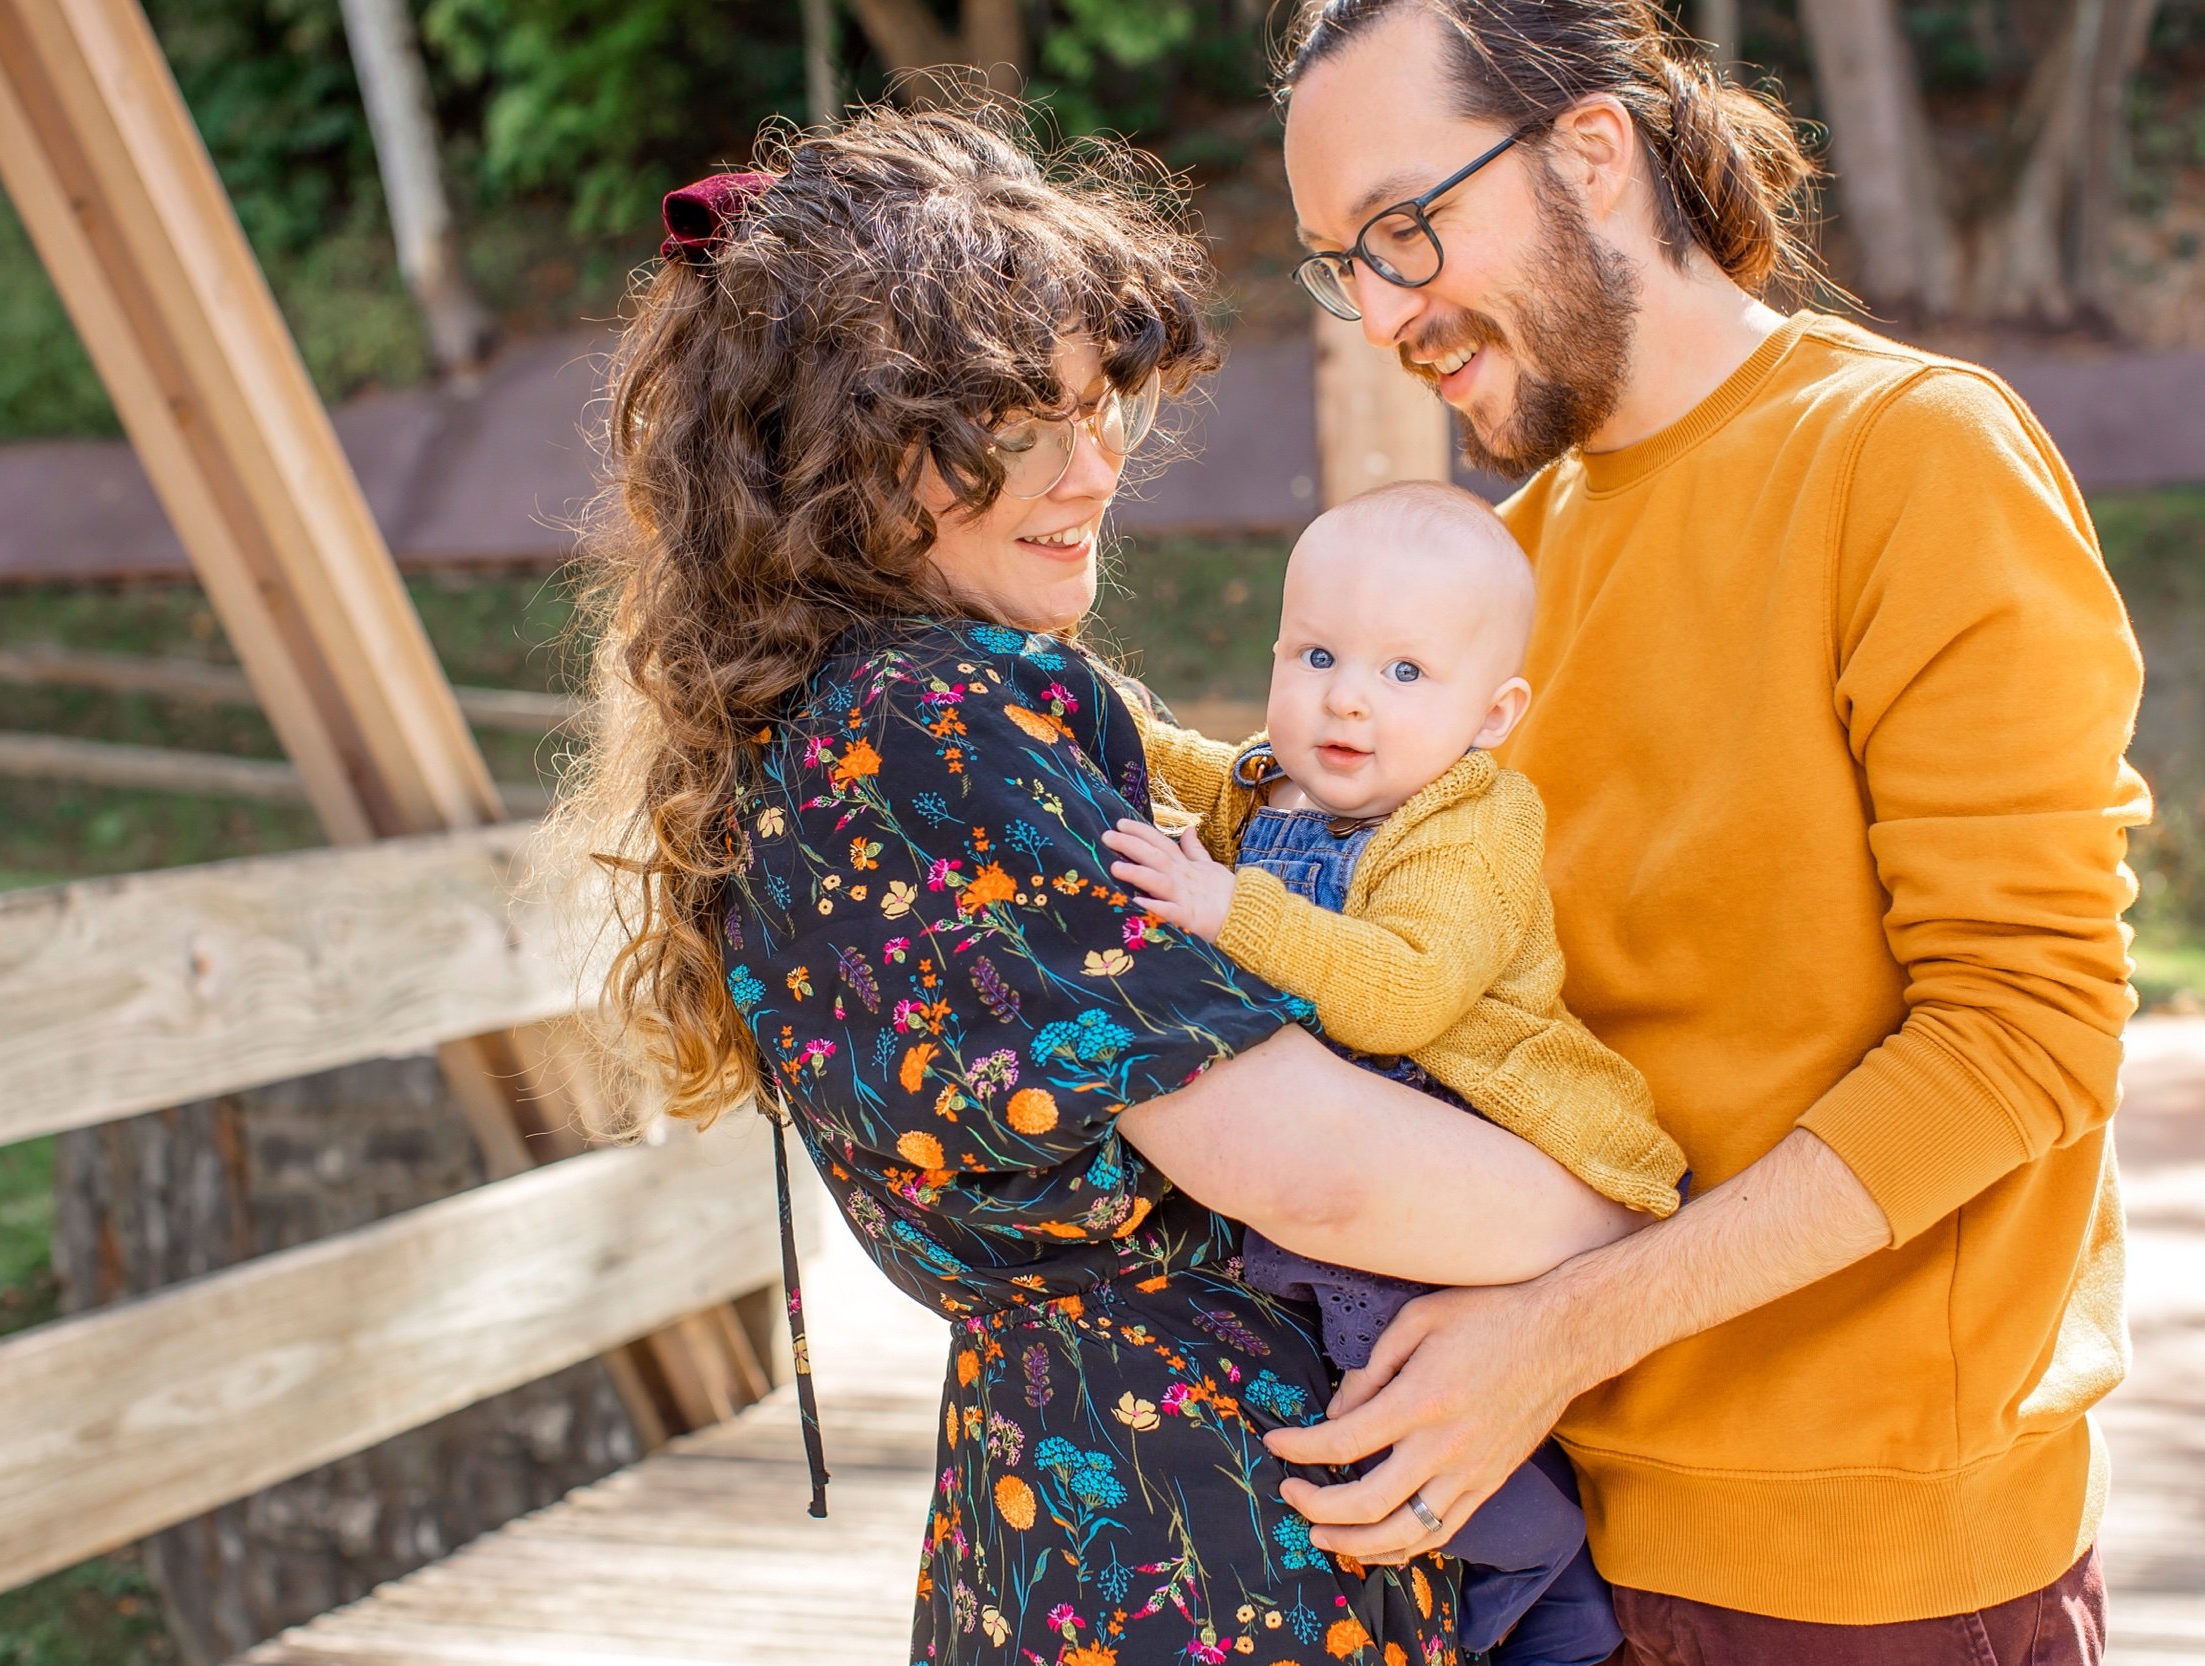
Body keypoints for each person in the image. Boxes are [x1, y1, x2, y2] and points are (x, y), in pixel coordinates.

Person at [555, 105, 1640, 1664]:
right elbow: (1305, 1167)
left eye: (1100, 404)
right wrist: (1638, 1244)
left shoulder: (839, 724)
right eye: (1019, 426)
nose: (1096, 466)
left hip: (1071, 1515)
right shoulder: (933, 729)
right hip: (1203, 1550)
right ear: (852, 450)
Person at [1261, 4, 2152, 1662]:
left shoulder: (1908, 456)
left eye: (1404, 230)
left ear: (1592, 154)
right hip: (1552, 1555)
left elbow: (2029, 1035)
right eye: (1342, 264)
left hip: (1881, 1582)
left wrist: (1548, 1334)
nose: (1382, 312)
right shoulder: (1497, 574)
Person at [1101, 480, 1691, 1665]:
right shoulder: (1274, 781)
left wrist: (1228, 908)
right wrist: (1077, 704)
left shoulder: (1473, 821)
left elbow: (1404, 988)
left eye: (1406, 674)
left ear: (1491, 712)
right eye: (1317, 653)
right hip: (1376, 1145)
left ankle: (1529, 1572)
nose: (1349, 697)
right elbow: (1177, 760)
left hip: (1486, 1134)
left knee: (1396, 1370)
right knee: (1335, 1345)